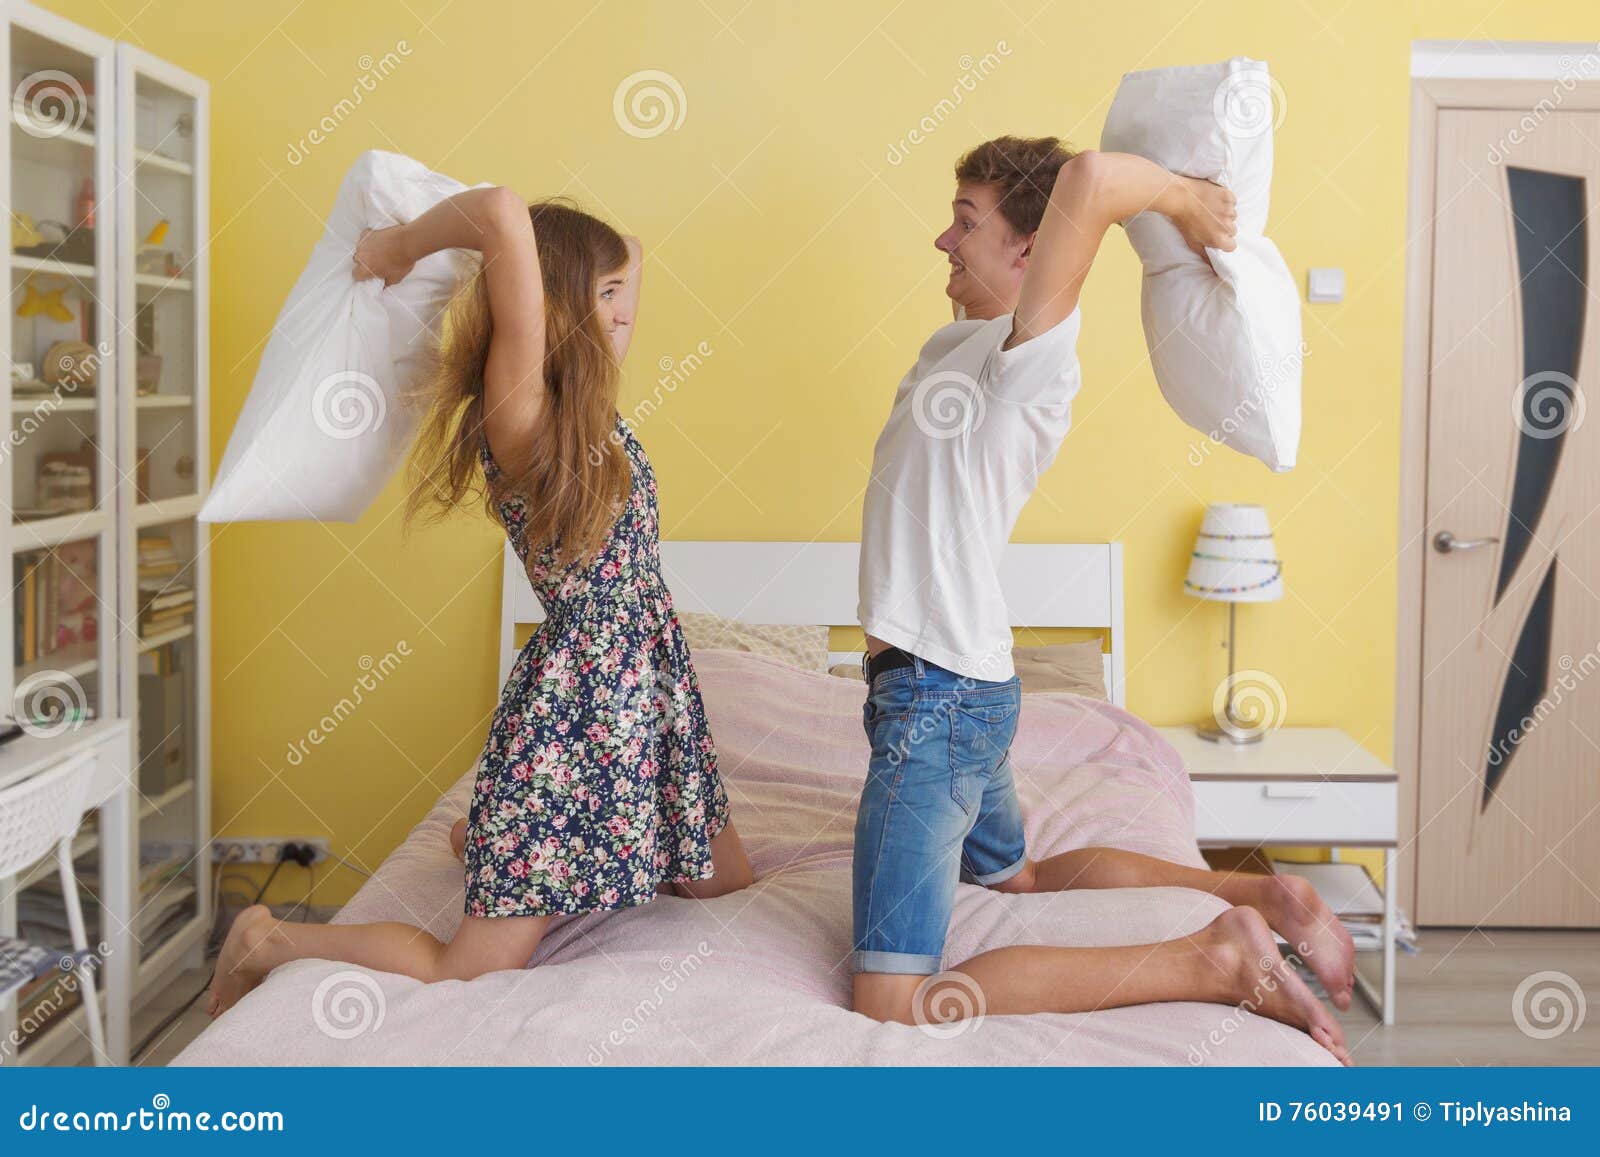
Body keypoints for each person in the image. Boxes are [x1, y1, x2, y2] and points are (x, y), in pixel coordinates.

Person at [852, 136, 1353, 1062]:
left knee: (891, 997)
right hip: (951, 690)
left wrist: (1186, 202)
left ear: (1031, 251)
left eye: (966, 223)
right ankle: (1257, 897)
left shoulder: (1029, 362)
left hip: (937, 702)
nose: (942, 241)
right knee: (1021, 878)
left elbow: (1088, 179)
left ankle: (1209, 959)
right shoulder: (957, 343)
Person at [208, 189, 752, 1016]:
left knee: (724, 884)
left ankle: (492, 840)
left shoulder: (590, 411)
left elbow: (632, 248)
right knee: (473, 970)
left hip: (651, 691)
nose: (625, 313)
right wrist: (401, 247)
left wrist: (590, 259)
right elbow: (500, 211)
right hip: (579, 711)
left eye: (620, 296)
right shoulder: (522, 413)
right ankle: (270, 937)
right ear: (559, 302)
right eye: (603, 296)